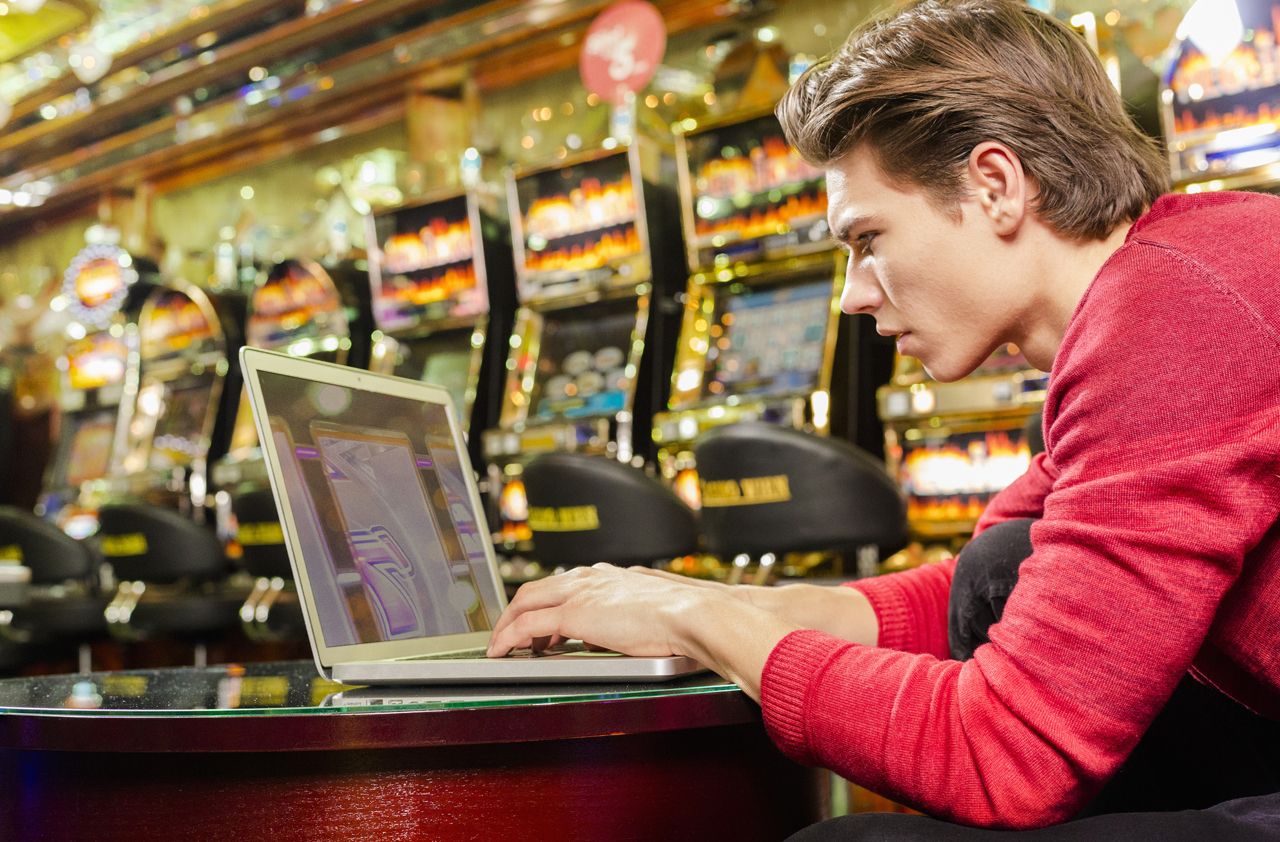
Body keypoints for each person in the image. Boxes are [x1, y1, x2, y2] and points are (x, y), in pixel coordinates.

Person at [487, 0, 1280, 835]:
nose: (854, 295)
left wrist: (701, 623)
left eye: (867, 239)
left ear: (995, 185)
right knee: (1000, 569)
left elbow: (1005, 756)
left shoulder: (1180, 313)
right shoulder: (1166, 285)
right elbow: (979, 589)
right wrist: (713, 602)